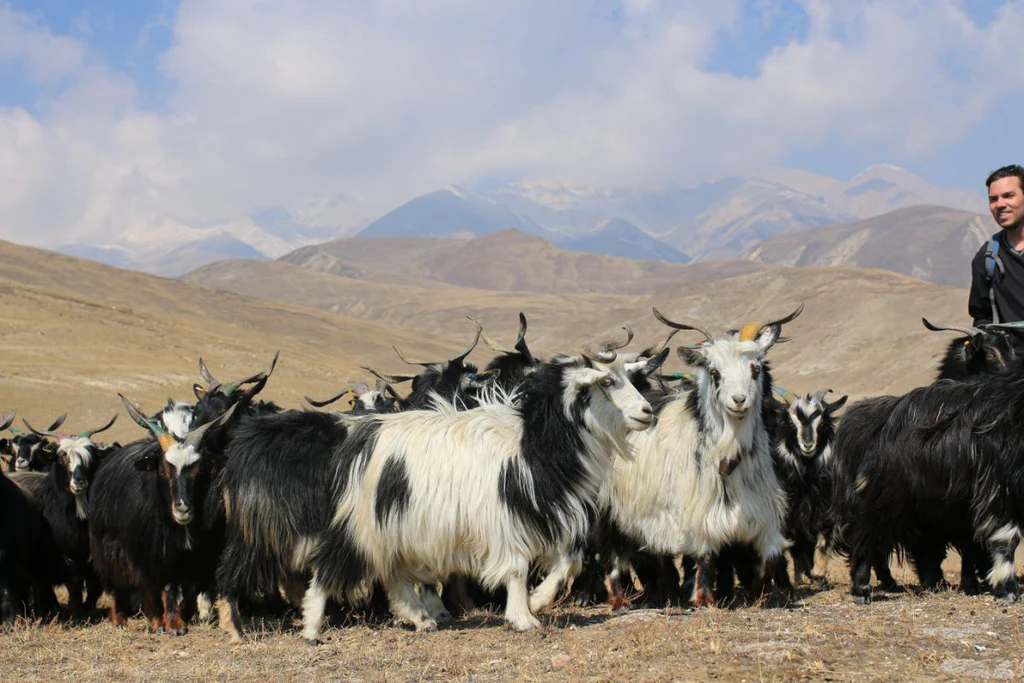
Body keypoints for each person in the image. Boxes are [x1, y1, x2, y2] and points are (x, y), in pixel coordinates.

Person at [969, 164, 1024, 326]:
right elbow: (982, 317)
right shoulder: (987, 257)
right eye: (993, 199)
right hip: (1012, 351)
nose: (1000, 204)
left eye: (1008, 196)